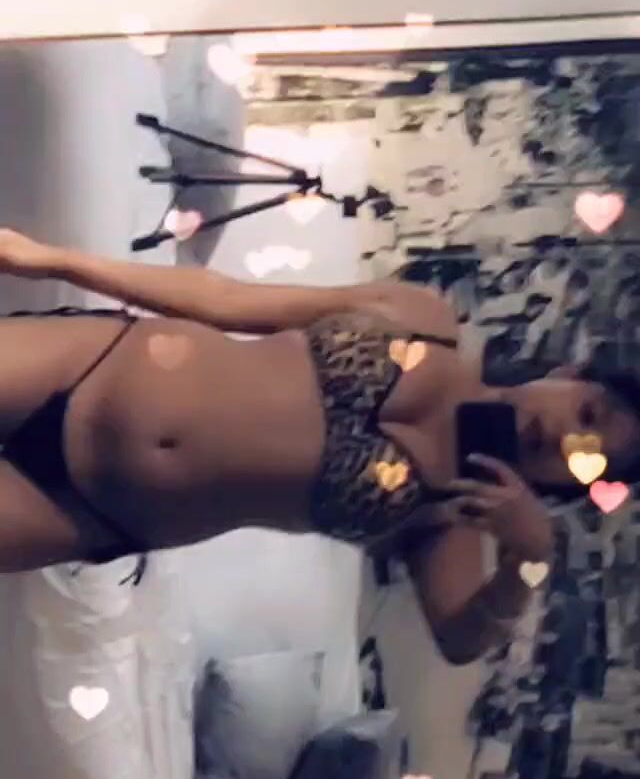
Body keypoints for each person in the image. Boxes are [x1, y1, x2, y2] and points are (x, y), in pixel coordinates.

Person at [0, 226, 638, 665]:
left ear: (566, 484)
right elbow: (228, 300)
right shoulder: (425, 320)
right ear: (568, 376)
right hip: (93, 363)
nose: (565, 435)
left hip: (89, 510)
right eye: (586, 412)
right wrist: (55, 260)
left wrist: (526, 561)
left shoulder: (450, 516)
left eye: (585, 455)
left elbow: (459, 640)